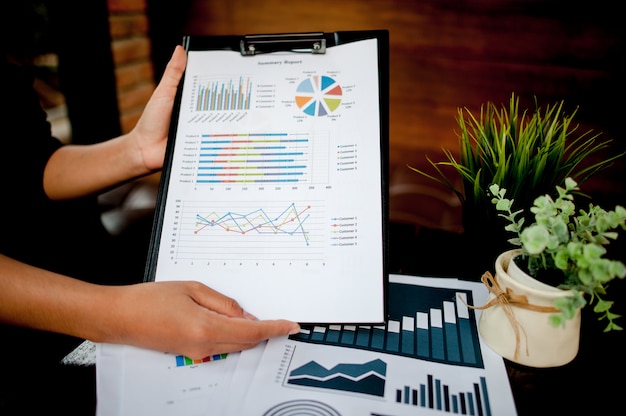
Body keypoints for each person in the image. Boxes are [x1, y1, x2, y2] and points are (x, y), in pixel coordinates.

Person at [0, 19, 300, 416]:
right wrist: (115, 315)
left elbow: (28, 164)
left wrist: (136, 151)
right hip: (32, 349)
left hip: (98, 272)